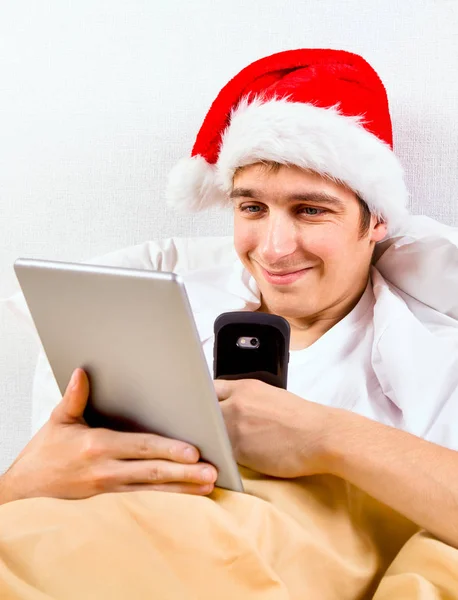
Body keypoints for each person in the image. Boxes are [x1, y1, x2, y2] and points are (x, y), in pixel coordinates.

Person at [1, 48, 458, 548]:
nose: (274, 248)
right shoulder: (143, 323)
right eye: (253, 207)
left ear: (377, 221)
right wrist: (22, 482)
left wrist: (325, 436)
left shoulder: (429, 358)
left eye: (310, 210)